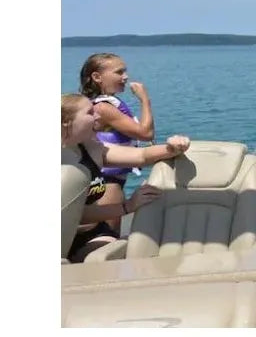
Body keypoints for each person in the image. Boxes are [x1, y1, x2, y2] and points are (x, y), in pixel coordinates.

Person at [61, 93, 191, 263]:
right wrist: (126, 207)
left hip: (90, 235)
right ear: (66, 121)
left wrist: (173, 147)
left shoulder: (91, 149)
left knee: (103, 259)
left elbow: (142, 156)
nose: (98, 115)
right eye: (90, 112)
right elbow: (73, 213)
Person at [79, 52, 158, 237]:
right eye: (119, 72)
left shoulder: (103, 104)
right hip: (108, 185)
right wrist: (145, 100)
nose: (125, 77)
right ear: (97, 77)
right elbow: (146, 133)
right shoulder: (103, 108)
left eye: (125, 71)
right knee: (106, 236)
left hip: (111, 182)